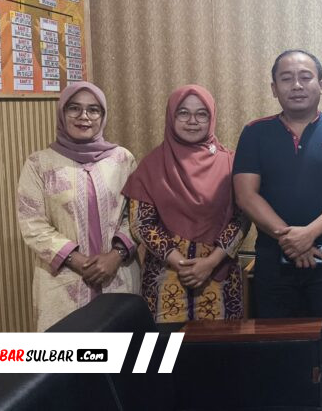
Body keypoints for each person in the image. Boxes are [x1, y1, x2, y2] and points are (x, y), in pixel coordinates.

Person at [233, 50, 322, 411]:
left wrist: (309, 234)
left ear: (321, 85)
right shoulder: (255, 132)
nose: (296, 84)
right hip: (273, 264)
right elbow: (246, 195)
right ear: (273, 88)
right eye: (286, 78)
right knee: (277, 350)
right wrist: (290, 238)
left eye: (305, 77)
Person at [16, 81, 140, 331]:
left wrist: (115, 256)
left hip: (117, 275)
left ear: (103, 116)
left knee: (122, 350)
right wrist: (77, 260)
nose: (84, 116)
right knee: (68, 353)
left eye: (94, 109)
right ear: (62, 113)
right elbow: (32, 223)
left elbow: (137, 216)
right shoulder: (39, 164)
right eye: (74, 108)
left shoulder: (122, 159)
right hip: (63, 282)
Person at [123, 84, 249, 322]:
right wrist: (181, 263)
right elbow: (142, 224)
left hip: (219, 275)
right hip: (166, 276)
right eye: (183, 113)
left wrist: (210, 263)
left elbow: (242, 219)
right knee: (168, 345)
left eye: (202, 114)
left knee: (220, 344)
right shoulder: (151, 165)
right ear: (171, 116)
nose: (192, 121)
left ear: (211, 118)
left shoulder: (231, 163)